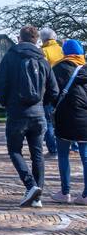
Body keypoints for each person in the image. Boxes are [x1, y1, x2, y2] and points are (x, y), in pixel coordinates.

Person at [0, 24, 58, 207]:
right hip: (38, 113)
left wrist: (7, 104)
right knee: (37, 154)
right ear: (37, 40)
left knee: (15, 150)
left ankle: (31, 186)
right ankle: (37, 195)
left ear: (19, 38)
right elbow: (54, 90)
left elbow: (1, 84)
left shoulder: (10, 57)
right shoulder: (42, 59)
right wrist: (42, 104)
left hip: (17, 112)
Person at [50, 40, 87, 203]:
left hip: (64, 117)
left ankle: (65, 192)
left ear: (65, 52)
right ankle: (86, 195)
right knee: (85, 157)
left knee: (63, 155)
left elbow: (51, 91)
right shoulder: (85, 68)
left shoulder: (58, 68)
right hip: (85, 117)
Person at [40, 27, 64, 156]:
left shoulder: (42, 52)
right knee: (64, 119)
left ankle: (53, 149)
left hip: (49, 91)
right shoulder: (62, 50)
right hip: (65, 89)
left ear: (42, 39)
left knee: (48, 121)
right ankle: (72, 145)